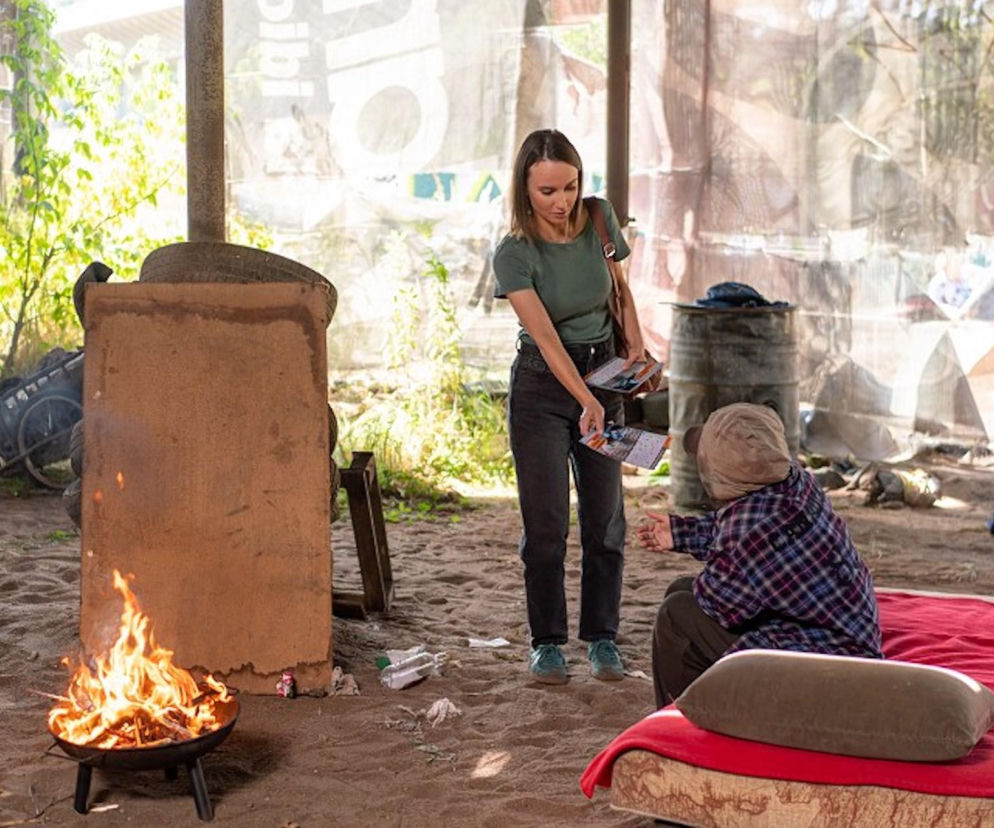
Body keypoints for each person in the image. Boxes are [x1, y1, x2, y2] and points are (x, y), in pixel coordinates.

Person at [492, 128, 648, 685]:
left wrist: (636, 352)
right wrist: (586, 401)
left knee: (606, 519)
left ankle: (602, 638)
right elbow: (547, 339)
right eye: (547, 191)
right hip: (542, 387)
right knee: (547, 523)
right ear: (524, 190)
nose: (562, 202)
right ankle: (547, 642)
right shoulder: (513, 252)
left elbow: (620, 291)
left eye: (570, 186)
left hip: (604, 372)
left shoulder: (600, 219)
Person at [637, 402, 883, 708]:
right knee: (680, 592)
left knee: (675, 615)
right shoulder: (798, 481)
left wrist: (713, 556)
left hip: (826, 662)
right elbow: (740, 532)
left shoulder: (747, 527)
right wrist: (681, 533)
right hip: (846, 632)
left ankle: (682, 720)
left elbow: (721, 604)